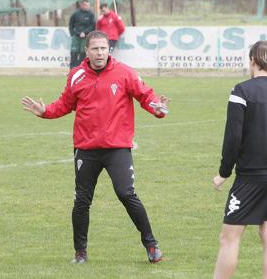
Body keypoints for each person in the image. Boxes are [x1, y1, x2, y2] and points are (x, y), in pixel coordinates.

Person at [21, 31, 170, 264]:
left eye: (104, 48)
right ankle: (80, 253)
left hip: (116, 148)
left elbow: (145, 95)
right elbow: (65, 104)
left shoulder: (124, 73)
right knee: (82, 201)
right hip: (86, 148)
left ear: (109, 49)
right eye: (95, 49)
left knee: (126, 194)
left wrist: (156, 108)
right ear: (87, 50)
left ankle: (151, 245)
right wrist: (45, 111)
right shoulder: (76, 75)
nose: (100, 53)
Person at [212, 40, 267, 279]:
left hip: (250, 178)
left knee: (229, 238)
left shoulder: (241, 91)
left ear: (252, 61)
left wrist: (224, 172)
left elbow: (233, 137)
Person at [68, 0, 95, 69]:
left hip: (85, 37)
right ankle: (72, 69)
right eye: (86, 5)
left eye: (89, 5)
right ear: (82, 5)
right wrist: (73, 33)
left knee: (83, 53)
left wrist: (85, 33)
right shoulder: (75, 14)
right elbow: (71, 24)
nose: (88, 7)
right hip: (76, 36)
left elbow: (92, 26)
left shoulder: (91, 15)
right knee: (74, 53)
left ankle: (80, 68)